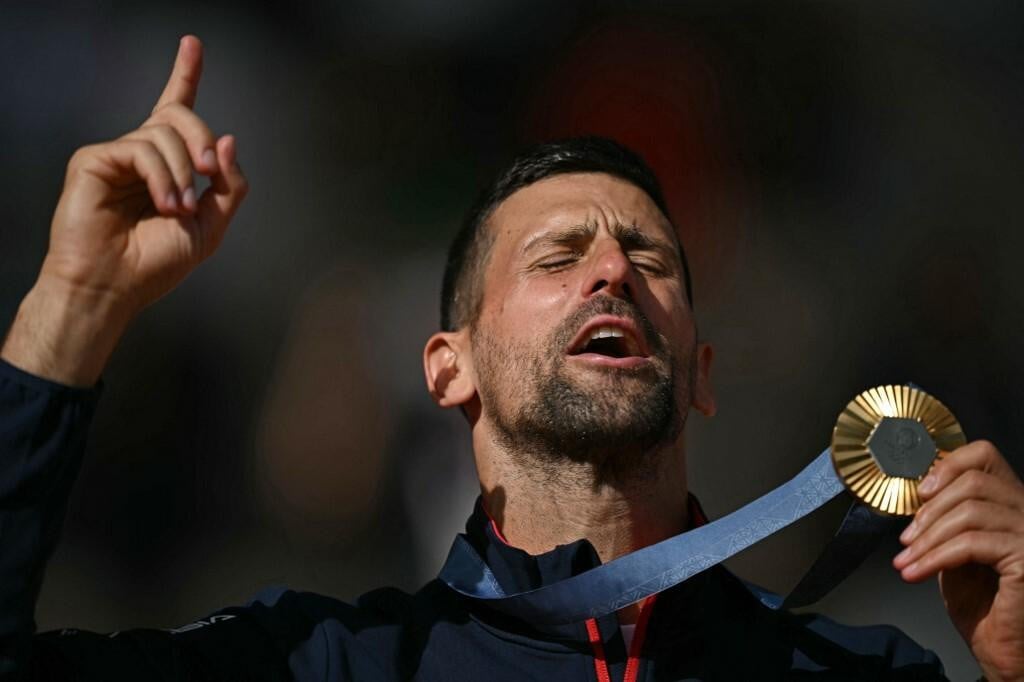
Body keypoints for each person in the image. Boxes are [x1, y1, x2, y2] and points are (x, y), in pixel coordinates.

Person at [2, 35, 1023, 682]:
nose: (611, 272)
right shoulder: (314, 664)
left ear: (701, 372)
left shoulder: (854, 671)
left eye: (650, 258)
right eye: (556, 256)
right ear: (449, 367)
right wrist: (73, 304)